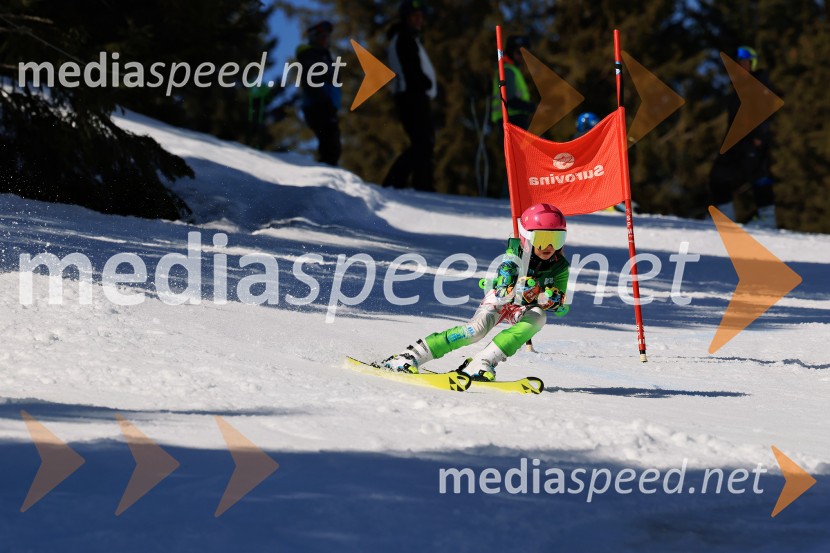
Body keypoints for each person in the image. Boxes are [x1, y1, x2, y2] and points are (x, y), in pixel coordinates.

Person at [382, 203, 570, 382]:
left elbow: (559, 302)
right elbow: (501, 290)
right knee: (475, 331)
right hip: (500, 301)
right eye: (542, 239)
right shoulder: (514, 258)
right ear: (526, 237)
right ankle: (411, 355)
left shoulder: (560, 267)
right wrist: (515, 289)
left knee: (539, 316)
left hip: (524, 309)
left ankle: (482, 362)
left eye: (556, 239)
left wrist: (550, 300)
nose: (549, 247)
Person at [708, 46, 777, 228]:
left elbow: (764, 112)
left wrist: (759, 137)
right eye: (738, 63)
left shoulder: (758, 85)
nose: (741, 66)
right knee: (719, 175)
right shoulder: (738, 87)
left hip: (753, 140)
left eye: (746, 62)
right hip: (736, 140)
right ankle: (726, 214)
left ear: (753, 64)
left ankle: (767, 218)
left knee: (759, 174)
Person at [383, 0, 437, 191]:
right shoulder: (403, 38)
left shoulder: (410, 38)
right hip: (410, 95)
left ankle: (421, 184)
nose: (419, 20)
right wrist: (424, 82)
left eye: (420, 17)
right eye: (414, 17)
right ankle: (398, 183)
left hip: (415, 94)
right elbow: (410, 68)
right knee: (422, 141)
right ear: (406, 18)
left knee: (424, 142)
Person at [296, 21, 341, 166]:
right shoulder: (310, 55)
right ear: (313, 38)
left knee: (331, 142)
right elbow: (311, 80)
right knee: (330, 143)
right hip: (318, 105)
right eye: (321, 36)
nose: (325, 39)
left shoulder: (325, 56)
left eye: (327, 37)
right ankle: (326, 173)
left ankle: (328, 171)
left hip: (327, 105)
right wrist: (322, 100)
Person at [491, 35, 536, 131]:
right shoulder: (507, 70)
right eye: (519, 52)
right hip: (511, 119)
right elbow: (510, 100)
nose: (522, 57)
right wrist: (532, 107)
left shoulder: (513, 70)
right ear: (511, 52)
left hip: (513, 119)